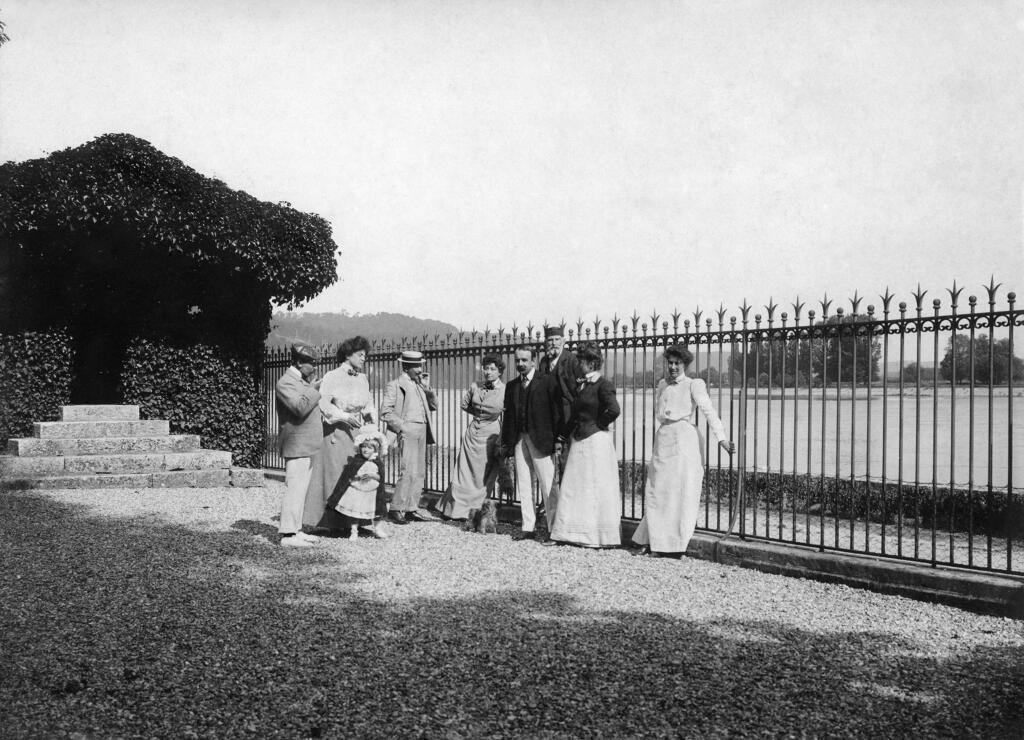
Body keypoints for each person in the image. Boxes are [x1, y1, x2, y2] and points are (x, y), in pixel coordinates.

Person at [632, 345, 735, 556]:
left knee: (677, 492)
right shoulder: (661, 384)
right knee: (657, 490)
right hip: (663, 439)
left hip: (683, 441)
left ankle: (672, 545)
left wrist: (721, 438)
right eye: (669, 362)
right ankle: (652, 540)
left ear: (685, 365)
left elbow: (708, 410)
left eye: (677, 363)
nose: (672, 367)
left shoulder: (693, 384)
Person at [548, 343, 622, 548]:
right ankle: (571, 533)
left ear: (592, 363)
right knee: (575, 487)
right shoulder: (582, 385)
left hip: (596, 442)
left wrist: (598, 425)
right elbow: (575, 415)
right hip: (579, 441)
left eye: (581, 361)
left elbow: (614, 410)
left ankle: (596, 537)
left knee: (594, 487)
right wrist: (562, 437)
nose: (579, 365)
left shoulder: (603, 384)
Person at [303, 336, 379, 535]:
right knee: (336, 474)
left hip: (357, 433)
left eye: (365, 355)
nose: (364, 359)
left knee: (357, 474)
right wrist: (344, 416)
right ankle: (333, 523)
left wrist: (371, 417)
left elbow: (368, 402)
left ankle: (353, 521)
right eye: (360, 355)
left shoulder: (362, 378)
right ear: (347, 355)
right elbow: (323, 404)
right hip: (336, 431)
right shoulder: (332, 376)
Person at [500, 345, 563, 541]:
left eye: (524, 360)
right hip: (520, 439)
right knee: (524, 484)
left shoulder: (547, 382)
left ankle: (555, 529)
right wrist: (507, 442)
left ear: (533, 361)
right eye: (517, 360)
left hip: (542, 441)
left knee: (548, 485)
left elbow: (557, 412)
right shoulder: (511, 386)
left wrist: (558, 439)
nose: (520, 364)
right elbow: (508, 416)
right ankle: (529, 526)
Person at [435, 354, 507, 520]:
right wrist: (478, 416)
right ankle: (455, 510)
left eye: (492, 369)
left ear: (500, 371)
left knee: (481, 476)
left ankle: (475, 511)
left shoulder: (505, 390)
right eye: (486, 368)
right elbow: (464, 404)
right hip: (471, 434)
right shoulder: (476, 386)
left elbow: (508, 412)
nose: (488, 372)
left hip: (490, 435)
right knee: (463, 473)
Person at [274, 343, 324, 548]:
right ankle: (287, 534)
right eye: (311, 364)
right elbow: (299, 408)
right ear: (298, 362)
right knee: (294, 488)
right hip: (296, 444)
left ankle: (296, 529)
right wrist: (313, 389)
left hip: (306, 444)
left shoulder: (301, 382)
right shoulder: (285, 383)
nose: (314, 368)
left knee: (301, 488)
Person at [381, 350, 438, 525]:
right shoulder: (395, 385)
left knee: (419, 471)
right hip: (408, 429)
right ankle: (396, 508)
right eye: (416, 366)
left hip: (422, 429)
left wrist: (428, 390)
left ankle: (411, 508)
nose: (420, 369)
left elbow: (433, 406)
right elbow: (385, 412)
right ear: (406, 367)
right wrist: (402, 427)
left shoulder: (421, 385)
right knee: (407, 470)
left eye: (420, 365)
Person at [325, 426, 390, 540]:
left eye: (369, 447)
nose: (365, 450)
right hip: (358, 490)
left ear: (375, 449)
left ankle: (378, 529)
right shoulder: (357, 460)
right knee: (355, 511)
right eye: (363, 447)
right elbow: (349, 475)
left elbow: (380, 477)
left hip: (372, 492)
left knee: (377, 510)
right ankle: (354, 531)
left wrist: (372, 475)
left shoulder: (377, 462)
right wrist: (357, 476)